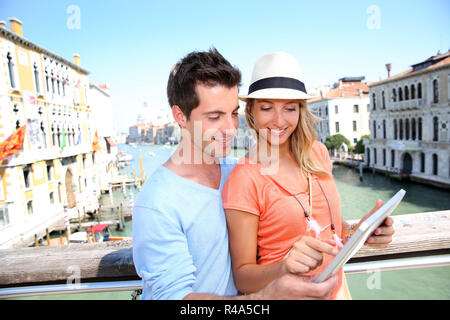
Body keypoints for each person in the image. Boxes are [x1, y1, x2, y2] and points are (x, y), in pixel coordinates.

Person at [132, 48, 339, 300]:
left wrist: (356, 232)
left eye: (233, 113)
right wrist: (266, 298)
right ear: (180, 116)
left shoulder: (237, 170)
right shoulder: (156, 202)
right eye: (215, 116)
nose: (230, 128)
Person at [222, 51, 395, 299]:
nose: (279, 120)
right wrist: (284, 266)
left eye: (290, 108)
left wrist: (364, 231)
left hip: (339, 292)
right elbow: (243, 277)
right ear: (251, 112)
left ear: (301, 110)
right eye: (267, 108)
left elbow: (330, 231)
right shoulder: (244, 179)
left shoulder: (318, 154)